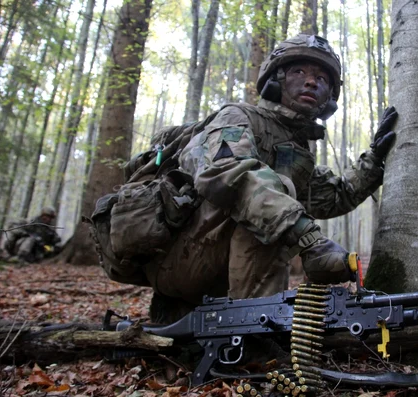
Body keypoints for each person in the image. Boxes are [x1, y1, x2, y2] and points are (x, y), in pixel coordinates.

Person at [146, 34, 398, 323]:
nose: (311, 82)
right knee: (273, 193)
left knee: (280, 192)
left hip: (216, 271)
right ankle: (256, 329)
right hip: (181, 264)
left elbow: (331, 198)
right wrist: (309, 239)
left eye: (322, 79)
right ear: (276, 80)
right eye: (299, 72)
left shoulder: (297, 150)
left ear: (329, 97)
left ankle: (253, 324)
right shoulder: (237, 117)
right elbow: (226, 174)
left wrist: (374, 159)